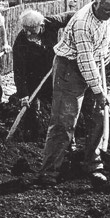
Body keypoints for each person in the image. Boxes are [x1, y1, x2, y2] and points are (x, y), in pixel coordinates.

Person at [36, 0, 110, 187]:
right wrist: (98, 90)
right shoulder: (82, 23)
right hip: (69, 69)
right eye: (107, 10)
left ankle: (93, 163)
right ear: (96, 3)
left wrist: (103, 67)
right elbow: (85, 60)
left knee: (98, 115)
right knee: (64, 120)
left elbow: (106, 45)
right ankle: (50, 171)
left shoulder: (109, 17)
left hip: (94, 65)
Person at [11, 9, 74, 139]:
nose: (28, 32)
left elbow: (70, 16)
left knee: (59, 104)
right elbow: (18, 71)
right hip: (32, 77)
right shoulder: (20, 43)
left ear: (41, 25)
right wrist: (23, 94)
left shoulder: (50, 22)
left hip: (54, 72)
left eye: (32, 29)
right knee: (30, 107)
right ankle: (31, 138)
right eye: (25, 28)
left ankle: (64, 136)